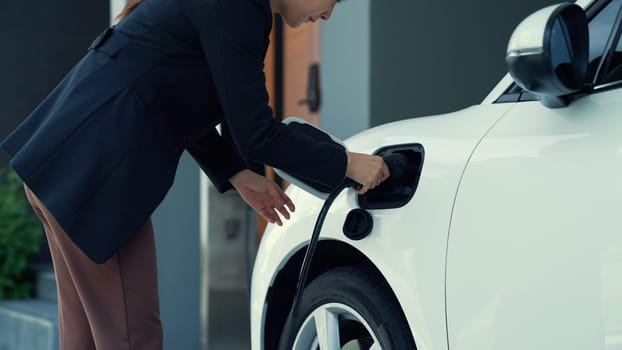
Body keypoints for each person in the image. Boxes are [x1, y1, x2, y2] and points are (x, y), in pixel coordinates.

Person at [1, 0, 389, 348]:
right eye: (334, 0)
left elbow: (171, 96)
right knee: (133, 338)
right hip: (94, 177)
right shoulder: (240, 9)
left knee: (85, 339)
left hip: (65, 165)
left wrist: (238, 173)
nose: (328, 15)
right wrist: (347, 163)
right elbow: (258, 134)